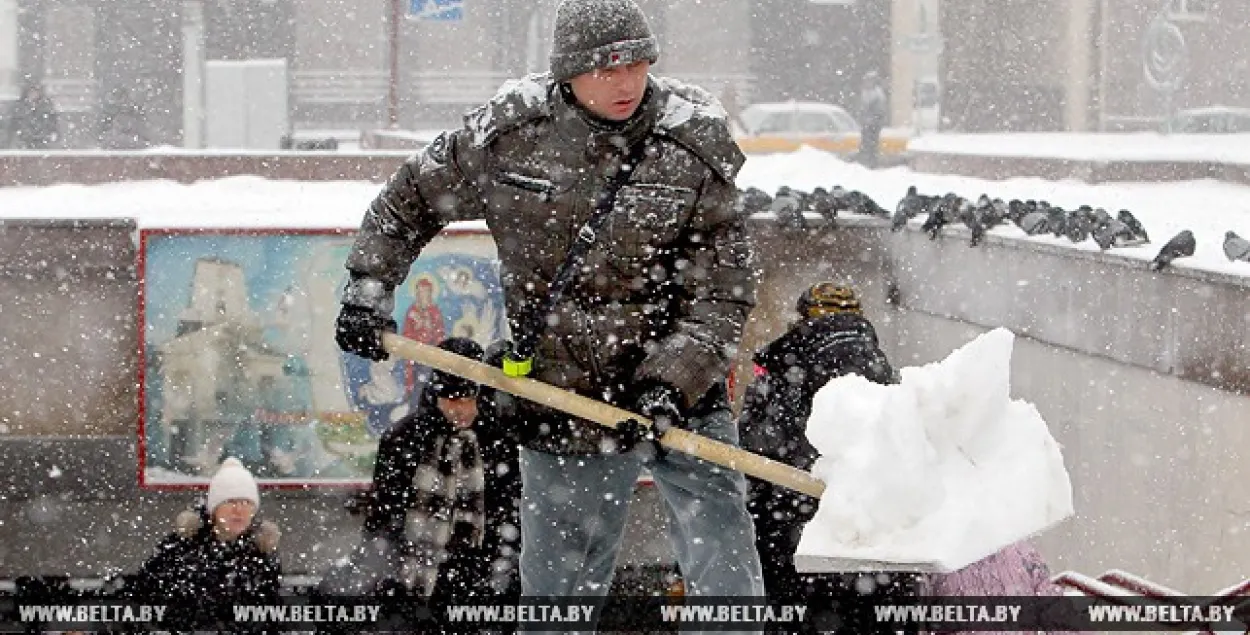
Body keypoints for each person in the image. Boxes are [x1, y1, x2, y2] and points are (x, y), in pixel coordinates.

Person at [333, 0, 763, 629]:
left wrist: (672, 381)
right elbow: (404, 203)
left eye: (638, 64)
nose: (626, 83)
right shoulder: (507, 136)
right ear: (567, 73)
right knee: (561, 581)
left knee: (723, 549)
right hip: (564, 391)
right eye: (607, 69)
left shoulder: (689, 144)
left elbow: (725, 287)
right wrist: (369, 290)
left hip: (678, 388)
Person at [739, 282, 915, 634]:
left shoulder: (781, 373)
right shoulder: (890, 378)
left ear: (801, 320)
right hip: (878, 553)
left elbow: (754, 453)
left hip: (792, 543)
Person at [126, 457, 282, 630]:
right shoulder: (179, 549)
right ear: (214, 509)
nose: (239, 510)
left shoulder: (261, 556)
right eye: (230, 502)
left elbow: (271, 616)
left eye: (246, 503)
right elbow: (143, 602)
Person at [9, 80, 59, 149]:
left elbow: (52, 123)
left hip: (43, 141)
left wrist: (45, 135)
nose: (33, 94)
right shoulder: (20, 107)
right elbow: (16, 124)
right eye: (31, 92)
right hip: (24, 142)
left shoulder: (47, 106)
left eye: (35, 91)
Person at [858, 71, 887, 168]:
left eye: (869, 81)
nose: (867, 83)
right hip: (867, 124)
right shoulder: (866, 93)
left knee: (871, 145)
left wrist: (871, 120)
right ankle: (866, 162)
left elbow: (879, 112)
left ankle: (871, 163)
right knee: (866, 144)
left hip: (873, 125)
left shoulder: (878, 95)